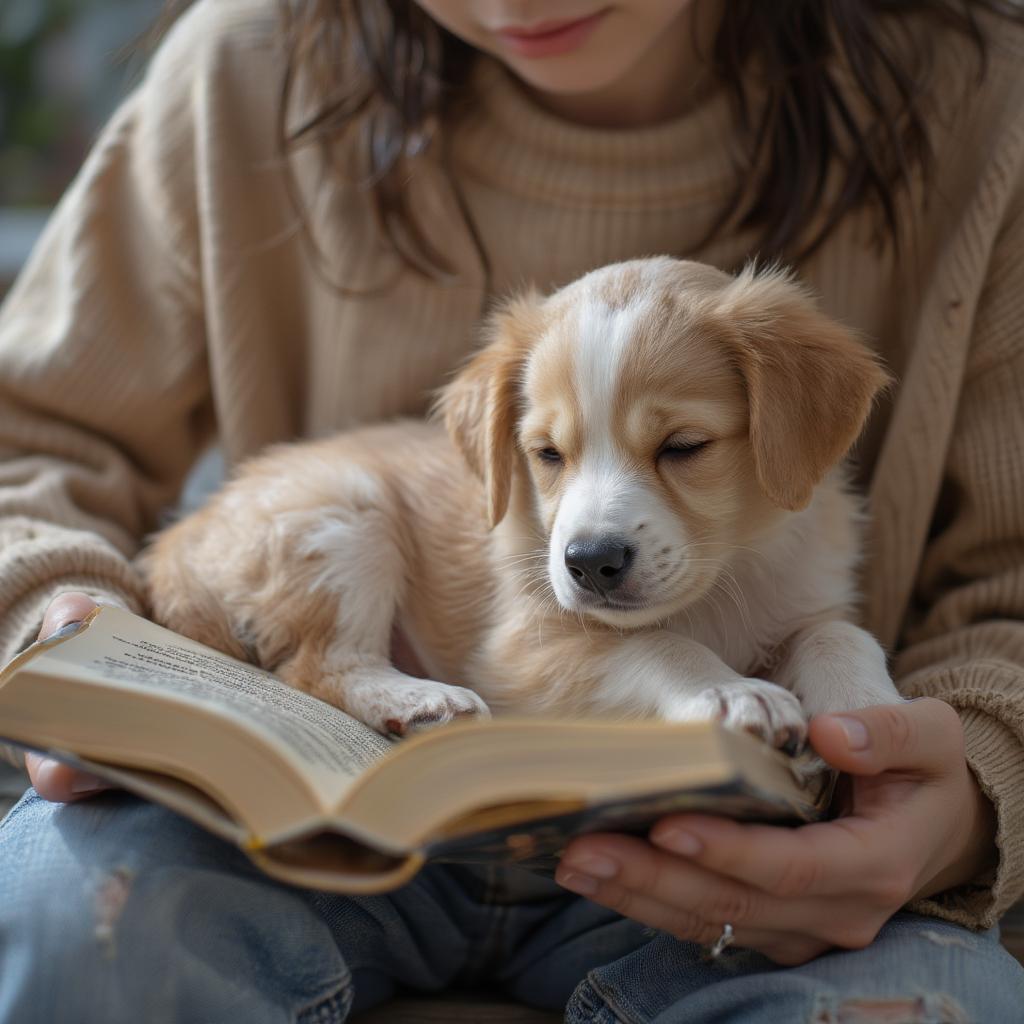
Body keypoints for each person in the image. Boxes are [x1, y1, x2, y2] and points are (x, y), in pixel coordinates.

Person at [1, 0, 1022, 1020]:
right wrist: (58, 632)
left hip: (722, 880)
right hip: (318, 827)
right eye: (548, 455)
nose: (589, 529)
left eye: (678, 448)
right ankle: (347, 670)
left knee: (934, 998)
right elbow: (30, 439)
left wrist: (963, 792)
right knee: (67, 910)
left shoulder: (983, 99)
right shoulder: (238, 69)